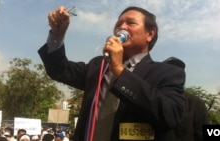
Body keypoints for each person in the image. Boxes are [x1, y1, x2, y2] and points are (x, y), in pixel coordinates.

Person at [38, 5, 186, 141]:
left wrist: (119, 70)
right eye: (118, 24)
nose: (122, 27)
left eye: (130, 23)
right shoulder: (99, 65)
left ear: (150, 34)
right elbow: (59, 70)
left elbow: (170, 115)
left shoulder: (168, 73)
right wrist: (57, 35)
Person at [163, 57, 209, 141]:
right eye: (170, 70)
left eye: (179, 71)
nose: (175, 74)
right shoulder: (151, 100)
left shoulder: (196, 104)